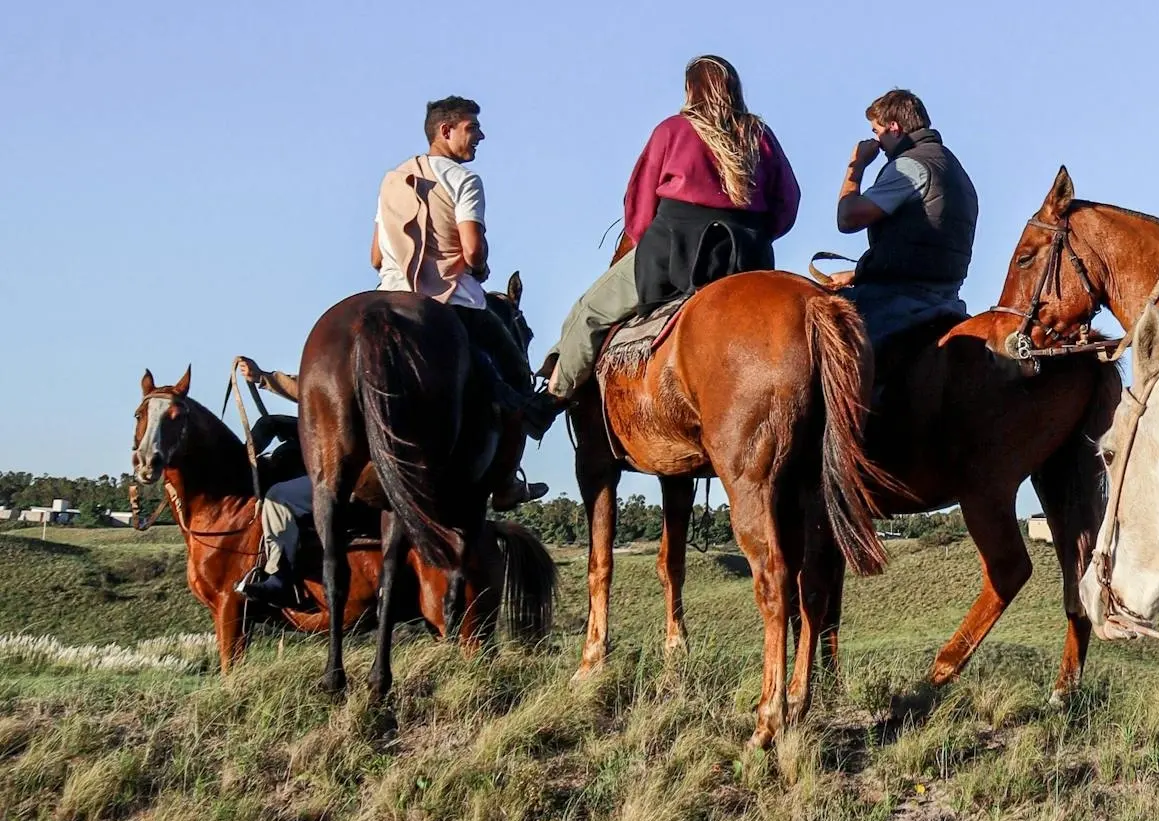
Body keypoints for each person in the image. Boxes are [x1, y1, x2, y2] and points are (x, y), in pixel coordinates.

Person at [529, 55, 800, 432]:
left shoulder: (672, 130)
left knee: (589, 311)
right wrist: (753, 235)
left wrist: (648, 245)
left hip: (675, 249)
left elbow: (638, 205)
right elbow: (788, 202)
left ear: (691, 89)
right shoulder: (759, 134)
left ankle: (551, 399)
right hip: (747, 254)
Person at [228, 357, 544, 608]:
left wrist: (265, 381)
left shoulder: (366, 374)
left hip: (360, 482)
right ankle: (509, 480)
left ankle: (278, 577)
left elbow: (312, 389)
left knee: (278, 496)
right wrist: (262, 378)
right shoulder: (427, 379)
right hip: (407, 477)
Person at [374, 96, 535, 407]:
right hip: (452, 300)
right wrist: (479, 266)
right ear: (446, 130)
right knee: (513, 364)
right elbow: (473, 251)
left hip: (389, 295)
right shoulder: (465, 180)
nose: (481, 136)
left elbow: (376, 258)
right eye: (472, 127)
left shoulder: (392, 181)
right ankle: (532, 412)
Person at [828, 88, 979, 347]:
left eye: (876, 131)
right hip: (946, 296)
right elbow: (924, 245)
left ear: (894, 128)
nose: (876, 140)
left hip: (900, 300)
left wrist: (857, 165)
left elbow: (848, 217)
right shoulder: (954, 169)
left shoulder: (909, 167)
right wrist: (857, 273)